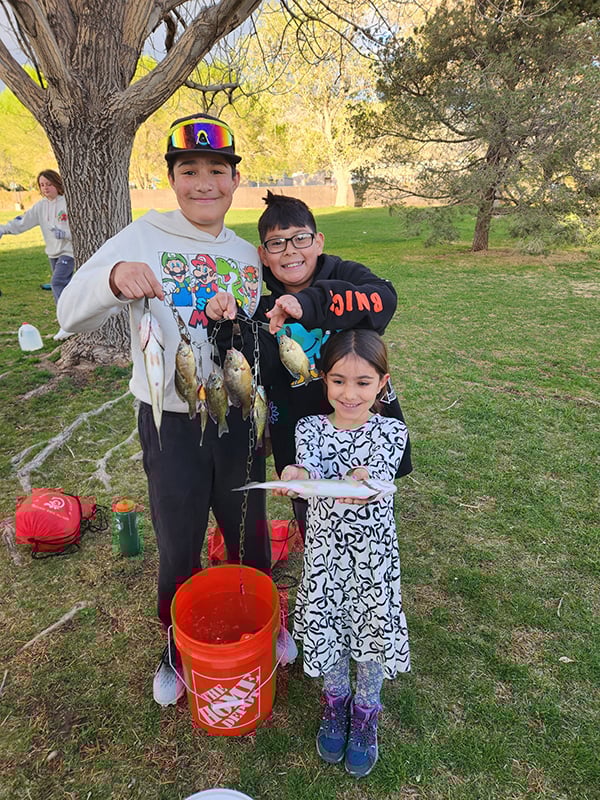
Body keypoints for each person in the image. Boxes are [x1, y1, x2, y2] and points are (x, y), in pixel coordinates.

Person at [56, 113, 271, 706]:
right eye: (189, 170)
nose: (204, 182)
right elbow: (69, 313)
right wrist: (113, 278)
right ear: (173, 179)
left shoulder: (249, 254)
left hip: (235, 415)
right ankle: (176, 649)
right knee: (179, 539)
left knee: (248, 526)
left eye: (217, 171)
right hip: (171, 421)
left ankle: (260, 622)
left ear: (234, 181)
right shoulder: (141, 235)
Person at [272, 329, 410, 778]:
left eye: (363, 383)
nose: (349, 394)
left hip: (373, 560)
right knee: (328, 628)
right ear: (323, 380)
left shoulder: (392, 431)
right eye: (337, 381)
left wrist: (361, 477)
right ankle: (336, 703)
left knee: (370, 634)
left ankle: (367, 711)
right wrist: (295, 472)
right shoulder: (308, 427)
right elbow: (307, 471)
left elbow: (377, 475)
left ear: (382, 383)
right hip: (326, 557)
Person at [258, 191, 412, 535]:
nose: (290, 251)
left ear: (318, 241)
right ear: (263, 255)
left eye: (300, 238)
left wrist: (309, 304)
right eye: (276, 244)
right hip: (300, 425)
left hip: (359, 416)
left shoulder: (347, 274)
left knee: (365, 495)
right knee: (310, 505)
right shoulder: (259, 300)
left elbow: (385, 298)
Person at [0, 169, 75, 340]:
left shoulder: (67, 203)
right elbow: (23, 222)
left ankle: (67, 324)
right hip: (52, 252)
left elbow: (82, 228)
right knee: (65, 287)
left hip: (68, 251)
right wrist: (3, 229)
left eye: (49, 184)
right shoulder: (41, 206)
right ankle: (73, 318)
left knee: (57, 283)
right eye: (42, 185)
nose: (46, 188)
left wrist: (66, 235)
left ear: (57, 184)